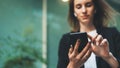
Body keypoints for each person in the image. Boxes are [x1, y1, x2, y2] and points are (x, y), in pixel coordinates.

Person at [57, 0, 120, 68]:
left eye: (88, 5)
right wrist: (73, 64)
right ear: (74, 12)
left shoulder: (112, 33)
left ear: (95, 8)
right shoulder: (66, 40)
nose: (84, 11)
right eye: (78, 7)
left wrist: (108, 57)